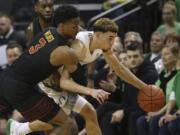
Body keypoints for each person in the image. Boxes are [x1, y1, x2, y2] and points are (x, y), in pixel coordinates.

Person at [97, 43, 158, 135]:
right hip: (131, 107)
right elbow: (126, 99)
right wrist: (115, 90)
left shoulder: (150, 74)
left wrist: (124, 112)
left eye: (135, 56)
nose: (132, 60)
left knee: (133, 116)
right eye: (129, 57)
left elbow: (144, 102)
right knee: (107, 110)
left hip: (144, 109)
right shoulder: (129, 72)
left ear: (142, 57)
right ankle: (89, 128)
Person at [136, 40, 180, 135]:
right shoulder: (162, 73)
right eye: (162, 54)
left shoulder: (177, 74)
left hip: (174, 109)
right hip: (161, 109)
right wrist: (153, 110)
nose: (163, 57)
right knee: (141, 121)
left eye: (166, 54)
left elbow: (172, 100)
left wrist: (160, 113)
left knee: (156, 120)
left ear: (176, 56)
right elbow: (158, 96)